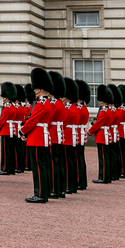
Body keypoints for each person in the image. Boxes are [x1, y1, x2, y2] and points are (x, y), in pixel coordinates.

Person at [19, 68, 54, 203]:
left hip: (37, 138)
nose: (34, 90)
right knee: (43, 166)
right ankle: (43, 193)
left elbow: (32, 121)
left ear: (42, 90)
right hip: (43, 136)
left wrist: (22, 131)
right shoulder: (49, 104)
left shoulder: (41, 104)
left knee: (38, 167)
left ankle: (39, 194)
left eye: (36, 88)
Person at [88, 85, 116, 184]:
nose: (99, 101)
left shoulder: (103, 111)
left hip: (102, 136)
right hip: (107, 135)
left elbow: (98, 124)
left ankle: (103, 177)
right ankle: (107, 176)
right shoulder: (109, 111)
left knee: (103, 159)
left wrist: (90, 131)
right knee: (107, 158)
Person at [46, 71, 67, 199]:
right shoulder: (60, 103)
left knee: (53, 163)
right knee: (59, 163)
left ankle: (54, 189)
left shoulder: (53, 104)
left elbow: (48, 121)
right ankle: (60, 189)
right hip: (59, 134)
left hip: (53, 134)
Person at [0, 82, 19, 176]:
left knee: (5, 151)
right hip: (12, 130)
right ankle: (11, 168)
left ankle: (5, 168)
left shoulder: (7, 108)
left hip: (6, 130)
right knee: (11, 151)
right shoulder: (13, 107)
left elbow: (2, 120)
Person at [61, 77, 79, 195]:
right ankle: (72, 185)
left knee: (67, 163)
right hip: (72, 136)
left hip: (67, 137)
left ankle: (68, 185)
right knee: (71, 162)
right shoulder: (74, 108)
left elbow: (63, 123)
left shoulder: (68, 109)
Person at [75, 79, 91, 190]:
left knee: (77, 159)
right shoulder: (83, 108)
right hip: (80, 134)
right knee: (79, 158)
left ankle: (79, 181)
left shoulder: (79, 109)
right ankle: (81, 181)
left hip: (75, 135)